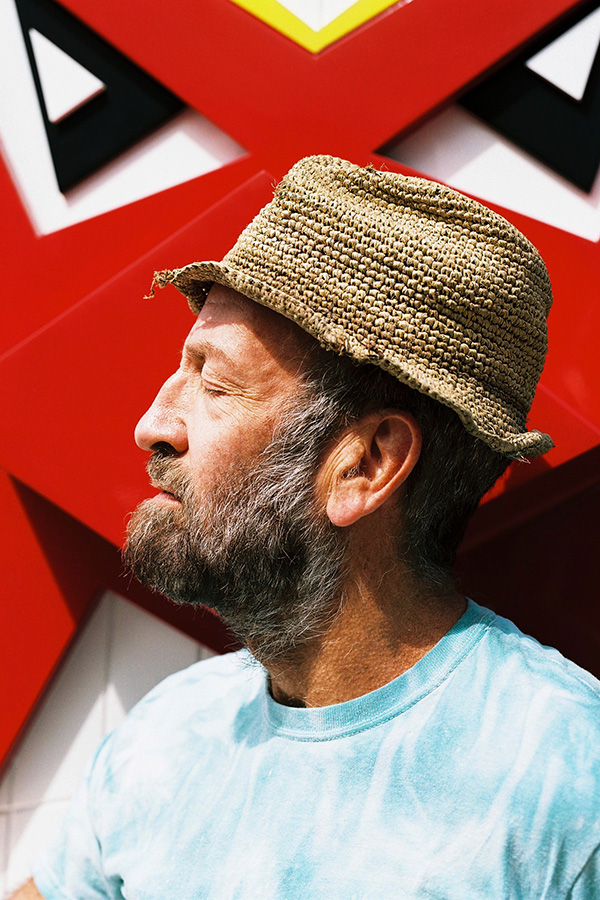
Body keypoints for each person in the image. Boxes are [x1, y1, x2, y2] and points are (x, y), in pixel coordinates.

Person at [17, 156, 600, 899]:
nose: (152, 426)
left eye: (215, 383)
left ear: (366, 463)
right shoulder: (164, 737)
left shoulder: (568, 789)